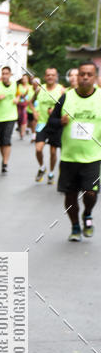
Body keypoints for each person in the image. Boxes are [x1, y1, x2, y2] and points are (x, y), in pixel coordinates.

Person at [50, 60, 101, 241]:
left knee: (90, 192)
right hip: (69, 157)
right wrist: (59, 122)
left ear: (95, 78)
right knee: (70, 195)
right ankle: (75, 226)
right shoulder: (66, 97)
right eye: (82, 74)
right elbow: (52, 122)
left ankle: (87, 213)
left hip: (93, 157)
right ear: (77, 76)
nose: (85, 77)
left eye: (89, 74)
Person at [32, 67, 64, 185]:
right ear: (45, 77)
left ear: (56, 77)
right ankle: (42, 167)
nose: (50, 77)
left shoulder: (61, 90)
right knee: (38, 149)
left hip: (55, 125)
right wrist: (34, 111)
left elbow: (67, 107)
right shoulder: (40, 89)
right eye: (48, 75)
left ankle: (51, 173)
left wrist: (57, 114)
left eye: (53, 75)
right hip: (42, 123)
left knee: (53, 152)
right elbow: (30, 102)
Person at [16, 74, 34, 139]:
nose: (24, 80)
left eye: (25, 79)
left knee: (24, 117)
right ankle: (20, 129)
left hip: (26, 104)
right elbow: (16, 94)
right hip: (19, 104)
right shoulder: (18, 86)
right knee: (19, 118)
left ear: (28, 79)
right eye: (23, 79)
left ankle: (22, 133)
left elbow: (32, 95)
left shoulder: (30, 87)